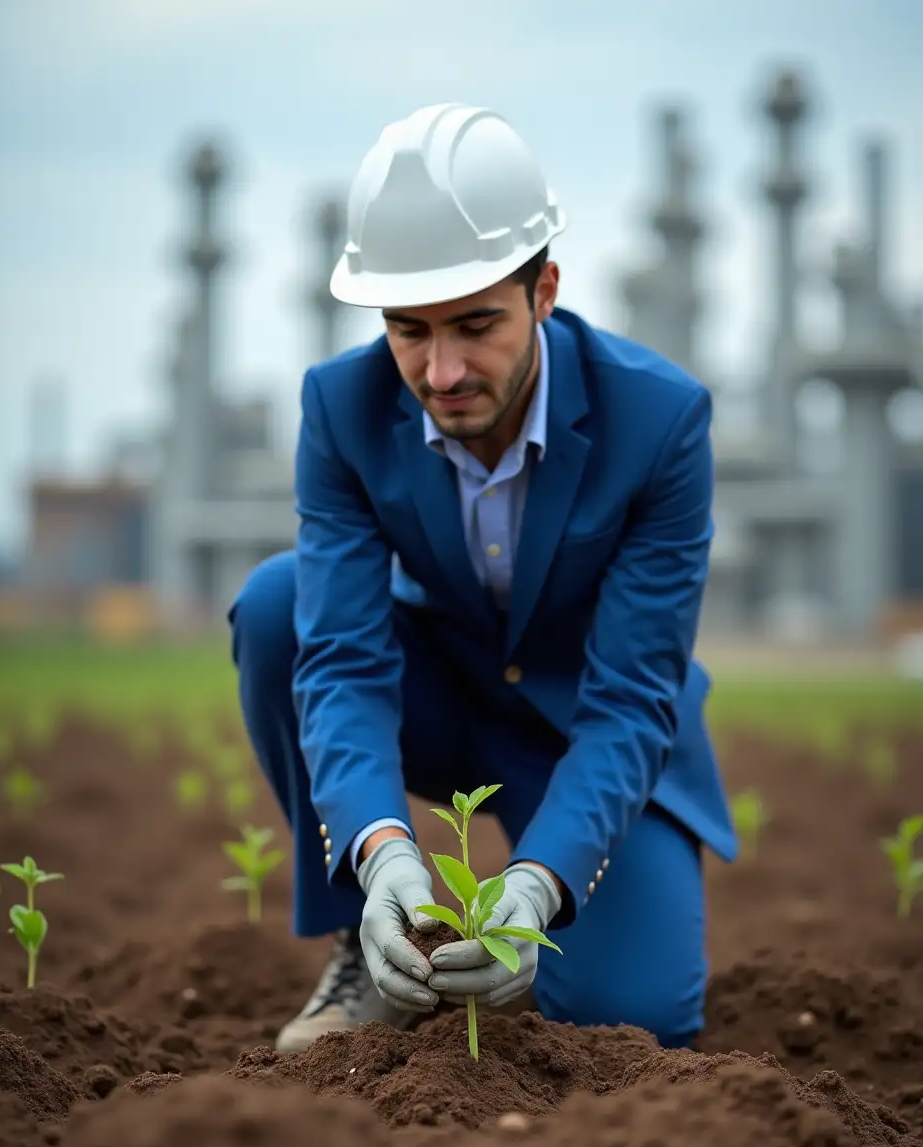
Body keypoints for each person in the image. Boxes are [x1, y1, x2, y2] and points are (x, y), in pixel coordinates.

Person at [229, 102, 737, 1054]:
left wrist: (540, 883)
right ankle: (363, 933)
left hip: (581, 730)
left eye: (475, 325)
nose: (443, 368)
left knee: (633, 1020)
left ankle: (556, 903)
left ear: (544, 289)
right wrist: (381, 856)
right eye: (408, 331)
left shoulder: (660, 421)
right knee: (277, 605)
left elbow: (633, 697)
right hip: (440, 699)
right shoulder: (340, 408)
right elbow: (338, 657)